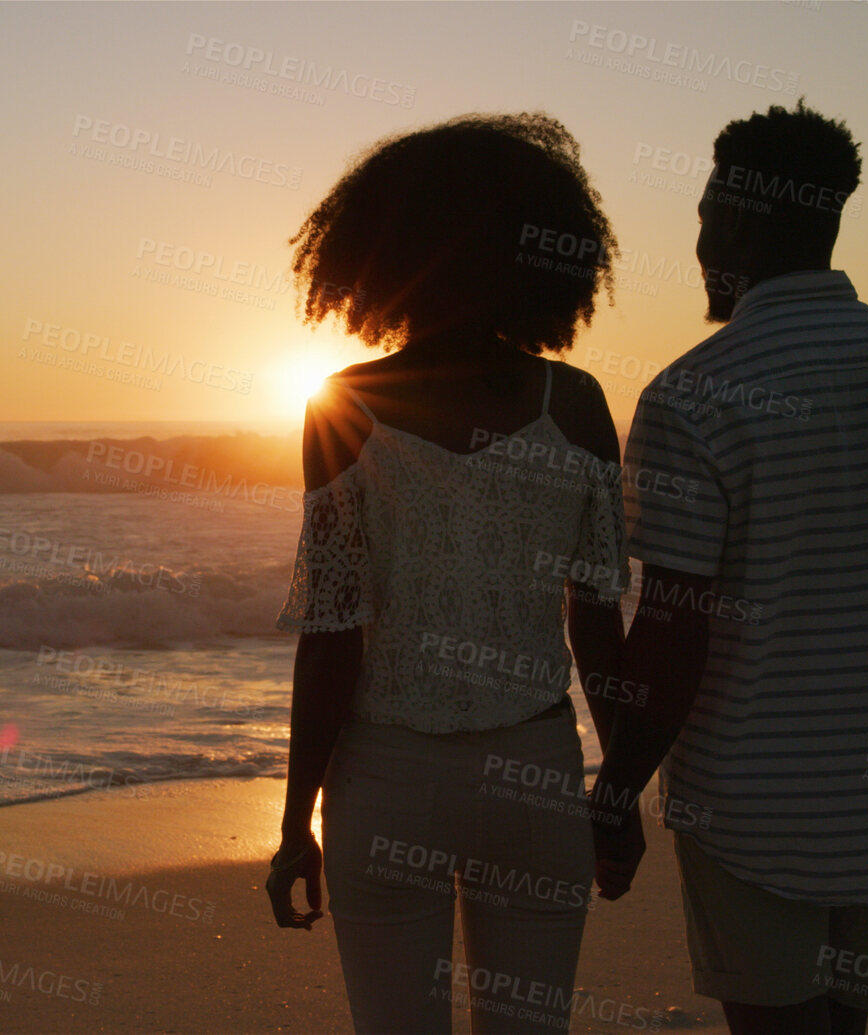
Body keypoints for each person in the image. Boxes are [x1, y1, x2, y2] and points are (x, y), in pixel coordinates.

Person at [589, 101, 868, 1035]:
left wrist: (616, 782)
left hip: (759, 805)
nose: (695, 244)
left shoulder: (693, 393)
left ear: (732, 214)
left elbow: (676, 625)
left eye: (700, 216)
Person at [265, 113, 636, 1034]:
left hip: (387, 776)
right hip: (537, 771)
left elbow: (332, 636)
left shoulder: (341, 406)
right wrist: (619, 791)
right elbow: (596, 622)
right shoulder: (577, 403)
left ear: (380, 254)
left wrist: (293, 824)